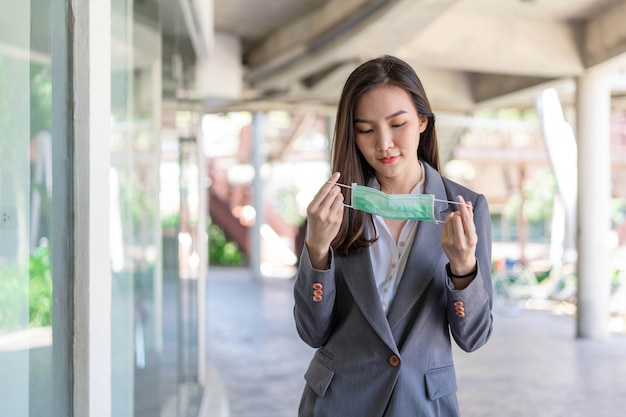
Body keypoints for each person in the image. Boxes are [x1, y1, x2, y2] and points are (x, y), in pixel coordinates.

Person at [293, 55, 493, 417]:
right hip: (338, 401)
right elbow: (311, 332)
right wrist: (317, 249)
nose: (384, 144)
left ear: (422, 121)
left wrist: (463, 267)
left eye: (397, 124)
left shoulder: (466, 208)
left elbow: (473, 337)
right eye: (366, 130)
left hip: (421, 403)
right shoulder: (334, 209)